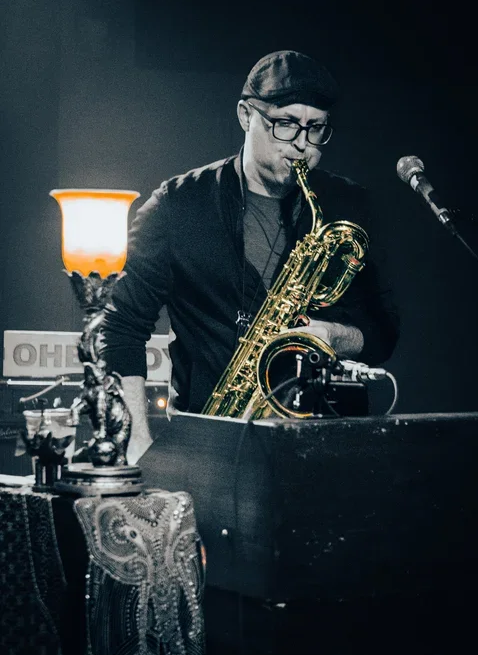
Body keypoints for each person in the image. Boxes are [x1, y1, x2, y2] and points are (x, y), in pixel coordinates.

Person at [101, 50, 399, 463]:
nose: (302, 145)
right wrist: (136, 442)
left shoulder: (351, 205)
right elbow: (120, 327)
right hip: (209, 445)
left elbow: (384, 331)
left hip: (324, 447)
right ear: (246, 116)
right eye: (285, 124)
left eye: (315, 128)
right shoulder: (177, 205)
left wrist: (334, 336)